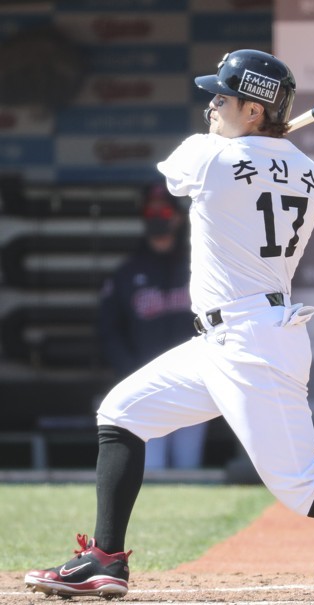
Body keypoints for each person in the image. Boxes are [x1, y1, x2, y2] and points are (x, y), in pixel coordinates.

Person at [24, 49, 314, 601]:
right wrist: (261, 140)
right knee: (121, 413)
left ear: (255, 110)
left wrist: (247, 143)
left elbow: (177, 178)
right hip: (229, 337)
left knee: (302, 489)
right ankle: (105, 558)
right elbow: (257, 174)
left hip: (252, 342)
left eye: (224, 96)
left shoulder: (206, 155)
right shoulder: (308, 170)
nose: (212, 103)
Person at [97, 184, 207, 470]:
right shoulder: (127, 272)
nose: (157, 217)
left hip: (192, 385)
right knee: (152, 471)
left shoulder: (201, 267)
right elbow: (108, 330)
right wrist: (129, 373)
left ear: (178, 217)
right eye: (151, 211)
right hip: (148, 388)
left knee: (188, 469)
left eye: (165, 210)